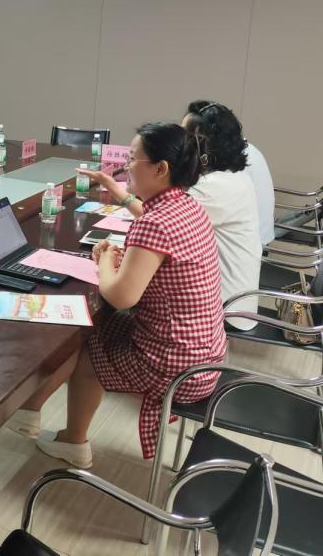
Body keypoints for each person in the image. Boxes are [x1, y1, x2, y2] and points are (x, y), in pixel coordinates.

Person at [21, 123, 226, 468]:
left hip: (174, 365)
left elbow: (120, 297)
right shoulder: (186, 207)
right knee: (92, 329)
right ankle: (32, 414)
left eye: (133, 159)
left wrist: (105, 260)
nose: (126, 165)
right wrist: (117, 194)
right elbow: (152, 226)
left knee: (87, 342)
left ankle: (71, 440)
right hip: (206, 353)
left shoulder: (155, 224)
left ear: (160, 169)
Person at [181, 102, 262, 330]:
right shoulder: (232, 176)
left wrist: (124, 196)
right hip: (235, 297)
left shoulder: (215, 187)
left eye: (185, 137)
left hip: (225, 308)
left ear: (204, 144)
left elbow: (165, 221)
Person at [190, 100, 276, 248]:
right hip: (259, 241)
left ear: (205, 138)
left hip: (250, 244)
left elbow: (171, 218)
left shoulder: (216, 183)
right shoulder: (241, 160)